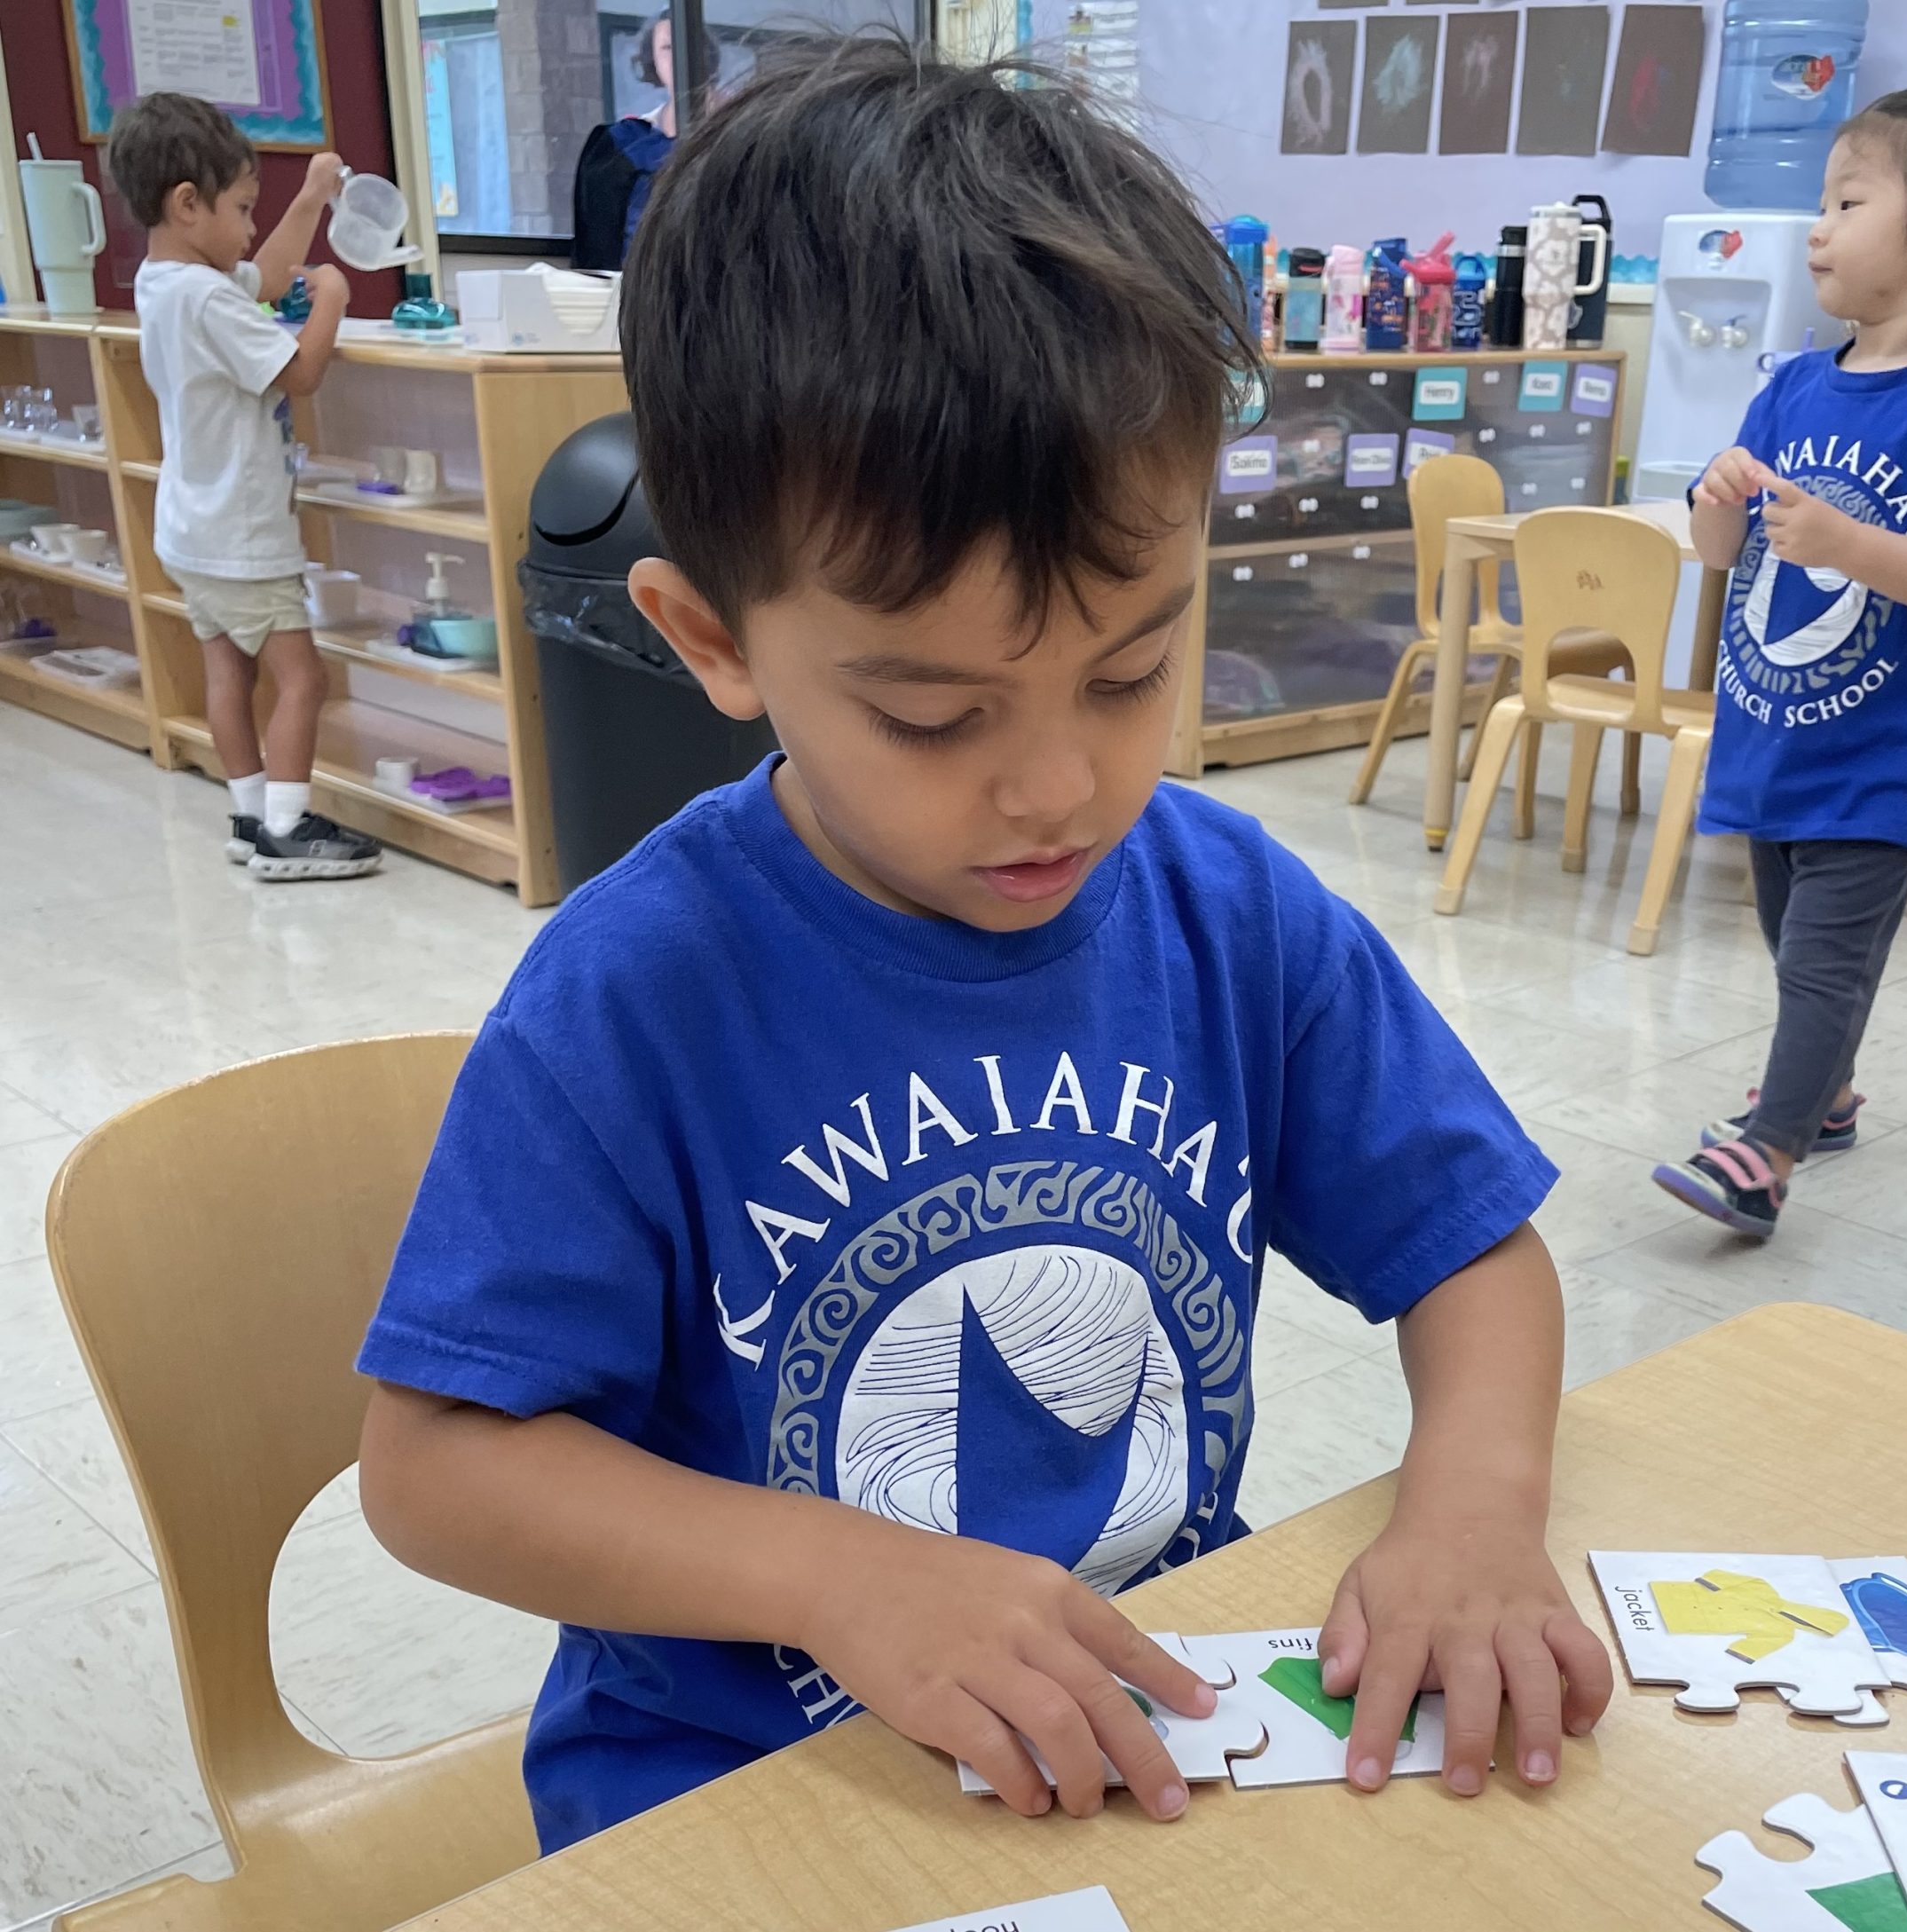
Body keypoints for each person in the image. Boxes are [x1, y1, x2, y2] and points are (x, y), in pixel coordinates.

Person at [356, 33, 1611, 1854]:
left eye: (1128, 669)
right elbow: (437, 1470)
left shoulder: (1225, 910)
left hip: (1144, 1741)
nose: (1058, 786)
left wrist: (1476, 1501)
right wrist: (832, 1570)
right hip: (742, 1787)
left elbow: (1474, 1254)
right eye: (932, 714)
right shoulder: (633, 996)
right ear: (711, 638)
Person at [1652, 80, 1907, 1238]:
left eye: (1845, 201)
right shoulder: (1792, 388)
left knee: (1826, 959)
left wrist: (1849, 543)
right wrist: (1721, 493)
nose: (1818, 228)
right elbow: (1716, 548)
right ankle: (1823, 1097)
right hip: (1776, 729)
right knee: (1789, 934)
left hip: (1881, 747)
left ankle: (1766, 1153)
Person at [106, 93, 382, 881]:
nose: (254, 226)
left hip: (191, 531)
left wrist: (312, 196)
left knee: (230, 670)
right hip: (243, 535)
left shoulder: (167, 283)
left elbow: (259, 278)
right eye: (243, 207)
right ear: (187, 204)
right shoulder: (204, 298)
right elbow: (298, 372)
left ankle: (252, 811)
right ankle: (289, 831)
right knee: (303, 676)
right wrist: (328, 302)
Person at [571, 12, 713, 271]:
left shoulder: (741, 130)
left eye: (692, 46)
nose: (680, 57)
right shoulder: (623, 143)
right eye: (667, 48)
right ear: (653, 60)